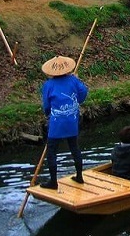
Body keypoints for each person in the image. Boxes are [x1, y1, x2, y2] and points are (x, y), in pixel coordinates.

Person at [39, 55, 88, 189]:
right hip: (71, 121)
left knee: (51, 151)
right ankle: (79, 176)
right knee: (74, 148)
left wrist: (48, 113)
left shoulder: (48, 85)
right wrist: (77, 101)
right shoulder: (73, 80)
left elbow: (46, 105)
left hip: (56, 123)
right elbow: (83, 92)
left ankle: (53, 181)